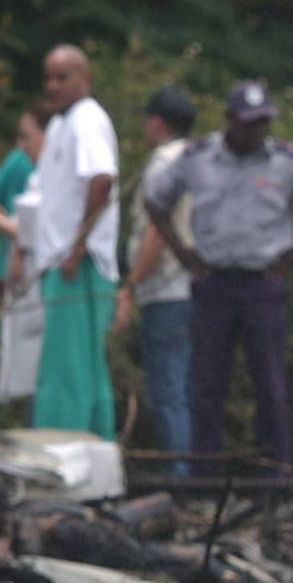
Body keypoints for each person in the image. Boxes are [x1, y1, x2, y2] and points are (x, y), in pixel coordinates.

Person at [144, 79, 293, 477]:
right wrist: (184, 253)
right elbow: (156, 199)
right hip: (213, 283)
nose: (257, 130)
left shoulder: (286, 160)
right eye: (249, 122)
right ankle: (206, 476)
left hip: (263, 285)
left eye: (263, 122)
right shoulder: (197, 157)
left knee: (270, 386)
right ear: (231, 120)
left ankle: (275, 474)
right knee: (206, 385)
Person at [30, 43, 119, 437]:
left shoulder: (87, 118)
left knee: (67, 369)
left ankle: (61, 449)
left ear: (86, 79)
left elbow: (102, 178)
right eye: (48, 77)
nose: (53, 86)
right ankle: (97, 447)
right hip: (61, 260)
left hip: (77, 264)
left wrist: (77, 246)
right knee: (84, 366)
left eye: (62, 77)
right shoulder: (59, 124)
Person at [115, 85, 197, 475]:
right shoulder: (201, 161)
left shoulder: (163, 163)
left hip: (166, 290)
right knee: (184, 386)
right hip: (197, 289)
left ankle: (178, 480)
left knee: (167, 390)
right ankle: (191, 473)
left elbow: (154, 233)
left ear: (158, 122)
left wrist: (130, 285)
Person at [0, 107, 48, 407]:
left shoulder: (46, 169)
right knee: (20, 362)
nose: (21, 146)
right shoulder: (23, 162)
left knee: (32, 364)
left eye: (26, 137)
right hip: (20, 277)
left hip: (41, 278)